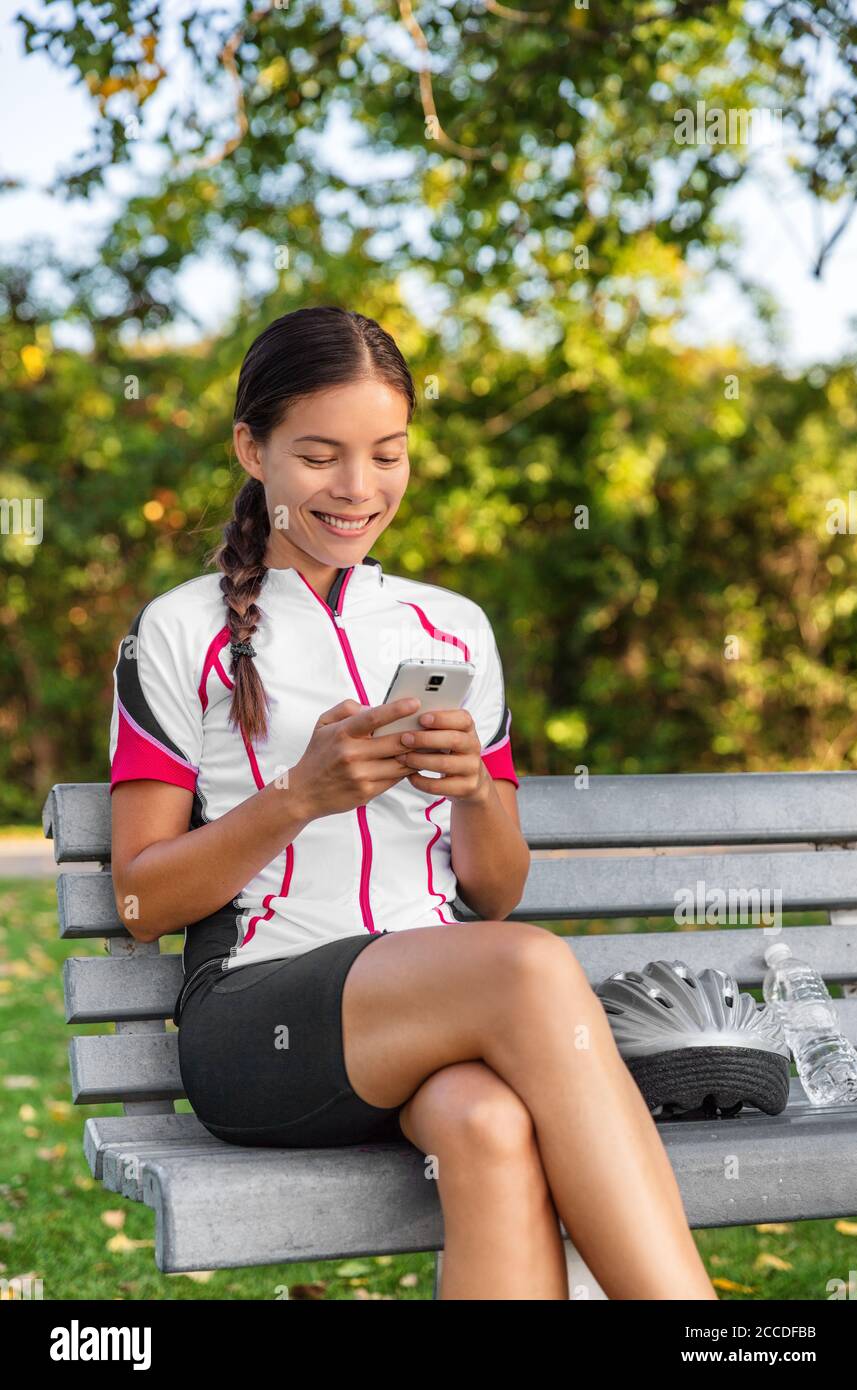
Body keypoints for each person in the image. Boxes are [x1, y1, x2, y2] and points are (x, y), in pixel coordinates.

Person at [109, 305, 717, 1300]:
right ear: (250, 449)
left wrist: (474, 789)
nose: (356, 488)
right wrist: (296, 797)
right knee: (526, 969)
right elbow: (140, 902)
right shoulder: (179, 632)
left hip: (434, 1017)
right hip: (260, 1022)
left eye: (386, 453)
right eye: (319, 455)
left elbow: (496, 888)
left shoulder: (453, 627)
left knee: (487, 1124)